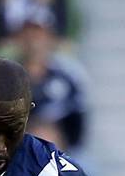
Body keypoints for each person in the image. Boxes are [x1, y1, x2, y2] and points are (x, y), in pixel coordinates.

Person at [16, 19, 89, 149]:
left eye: (39, 37)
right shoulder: (7, 78)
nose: (34, 44)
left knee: (88, 166)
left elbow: (77, 118)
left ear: (51, 39)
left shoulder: (68, 75)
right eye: (29, 37)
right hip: (20, 148)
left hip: (63, 147)